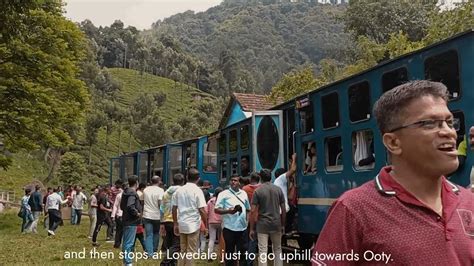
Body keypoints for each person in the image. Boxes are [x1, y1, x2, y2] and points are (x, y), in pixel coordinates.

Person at [312, 80, 474, 265]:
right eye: (430, 123)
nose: (449, 132)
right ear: (393, 143)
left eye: (449, 122)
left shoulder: (469, 202)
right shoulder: (353, 210)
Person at [250, 169, 286, 266]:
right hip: (276, 223)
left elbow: (253, 211)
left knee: (263, 250)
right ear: (271, 177)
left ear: (260, 178)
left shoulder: (257, 191)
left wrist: (252, 228)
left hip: (262, 225)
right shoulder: (278, 190)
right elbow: (283, 209)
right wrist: (283, 225)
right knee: (278, 249)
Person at [172, 168, 207, 266]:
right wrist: (206, 225)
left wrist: (175, 223)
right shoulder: (198, 191)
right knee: (190, 251)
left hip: (182, 223)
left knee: (183, 250)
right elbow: (202, 210)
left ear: (187, 177)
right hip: (193, 225)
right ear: (198, 179)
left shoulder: (179, 190)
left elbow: (174, 208)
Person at [215, 175, 250, 266]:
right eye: (232, 180)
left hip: (242, 228)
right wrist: (229, 211)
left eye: (235, 180)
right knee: (229, 252)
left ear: (239, 183)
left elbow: (248, 209)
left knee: (243, 252)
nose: (233, 182)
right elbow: (216, 209)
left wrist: (247, 222)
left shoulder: (244, 193)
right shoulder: (223, 194)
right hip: (229, 228)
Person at [160, 173, 184, 266]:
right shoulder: (182, 191)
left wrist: (161, 222)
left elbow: (161, 208)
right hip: (176, 220)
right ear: (182, 181)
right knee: (177, 245)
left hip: (166, 220)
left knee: (170, 244)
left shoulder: (166, 193)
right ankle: (165, 262)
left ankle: (173, 263)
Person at [121, 175, 142, 266]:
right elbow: (130, 205)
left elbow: (122, 206)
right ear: (136, 182)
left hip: (125, 219)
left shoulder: (125, 192)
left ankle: (125, 260)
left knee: (126, 241)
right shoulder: (132, 193)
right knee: (129, 242)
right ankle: (128, 261)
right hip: (132, 221)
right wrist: (136, 213)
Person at [143, 176, 165, 256]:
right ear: (159, 181)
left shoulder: (145, 190)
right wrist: (163, 214)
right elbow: (160, 203)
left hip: (147, 214)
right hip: (156, 215)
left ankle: (149, 252)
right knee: (156, 233)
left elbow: (142, 201)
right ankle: (155, 251)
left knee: (148, 234)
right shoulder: (161, 190)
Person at [206, 187, 223, 261]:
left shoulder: (210, 201)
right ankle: (221, 255)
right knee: (221, 239)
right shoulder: (223, 201)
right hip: (221, 222)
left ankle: (210, 256)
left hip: (211, 222)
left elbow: (206, 212)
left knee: (211, 239)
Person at [111, 183, 124, 248]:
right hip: (124, 215)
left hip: (118, 215)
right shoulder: (129, 195)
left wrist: (113, 215)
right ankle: (122, 243)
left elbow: (115, 205)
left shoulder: (119, 195)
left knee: (118, 230)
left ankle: (117, 243)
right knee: (124, 230)